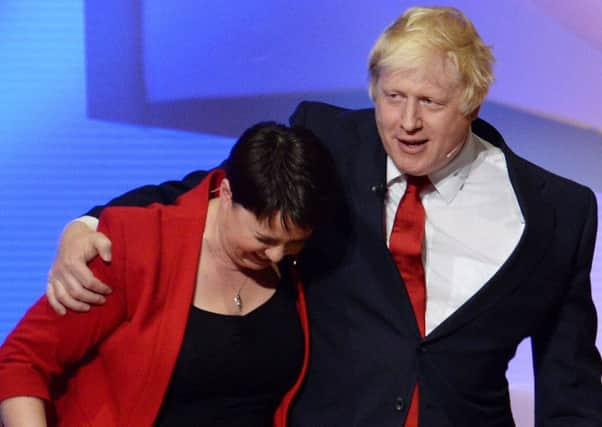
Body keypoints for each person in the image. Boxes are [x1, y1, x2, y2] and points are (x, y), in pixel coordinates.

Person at [45, 6, 602, 426]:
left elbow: (569, 382)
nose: (406, 122)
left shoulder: (558, 211)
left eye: (430, 103)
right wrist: (92, 223)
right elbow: (220, 189)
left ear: (473, 103)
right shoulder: (328, 139)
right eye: (392, 96)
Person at [0, 122, 337, 426]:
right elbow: (21, 362)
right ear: (226, 193)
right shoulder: (138, 247)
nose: (277, 255)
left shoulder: (297, 264)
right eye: (264, 239)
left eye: (293, 244)